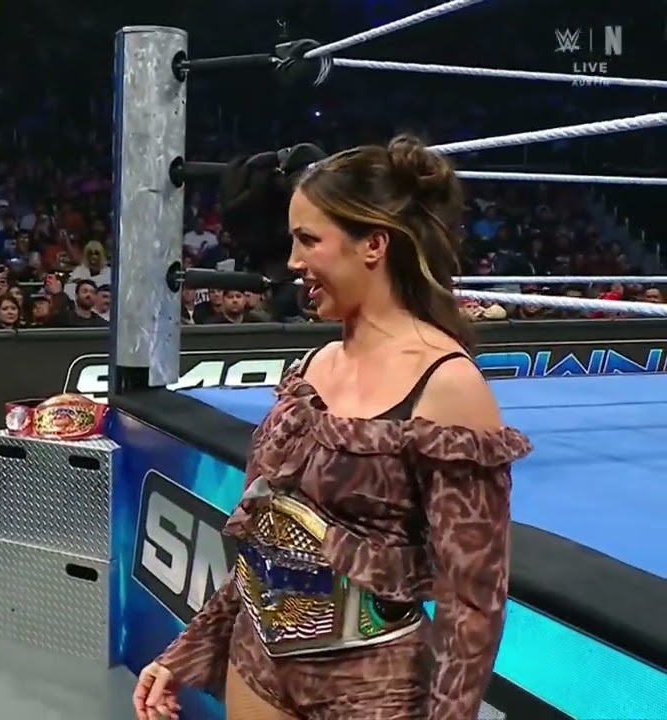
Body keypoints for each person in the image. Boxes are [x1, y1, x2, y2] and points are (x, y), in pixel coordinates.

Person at [133, 136, 533, 720]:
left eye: (308, 239)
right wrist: (187, 649)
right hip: (258, 663)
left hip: (372, 686)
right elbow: (266, 536)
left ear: (373, 244)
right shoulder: (313, 367)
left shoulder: (447, 385)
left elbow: (472, 601)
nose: (294, 261)